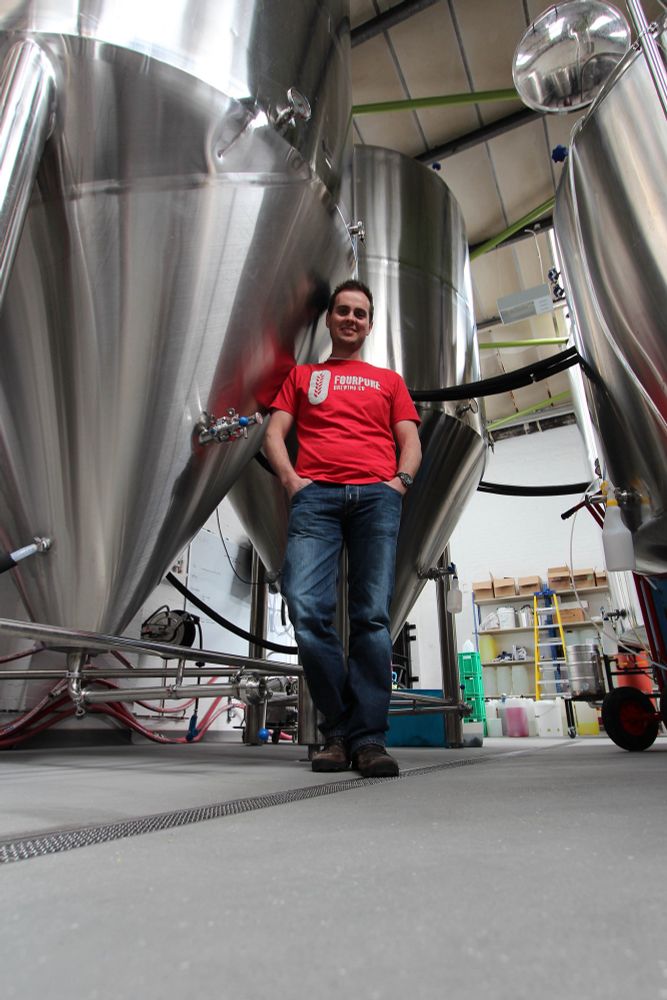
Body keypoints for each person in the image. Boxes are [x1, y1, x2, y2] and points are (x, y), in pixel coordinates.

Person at [264, 279, 422, 777]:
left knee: (372, 618)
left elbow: (410, 440)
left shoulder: (388, 381)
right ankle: (339, 730)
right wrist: (292, 481)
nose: (352, 319)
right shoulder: (304, 375)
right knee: (308, 611)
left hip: (377, 497)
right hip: (317, 498)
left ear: (370, 324)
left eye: (361, 313)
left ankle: (368, 740)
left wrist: (400, 482)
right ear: (329, 319)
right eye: (343, 311)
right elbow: (274, 432)